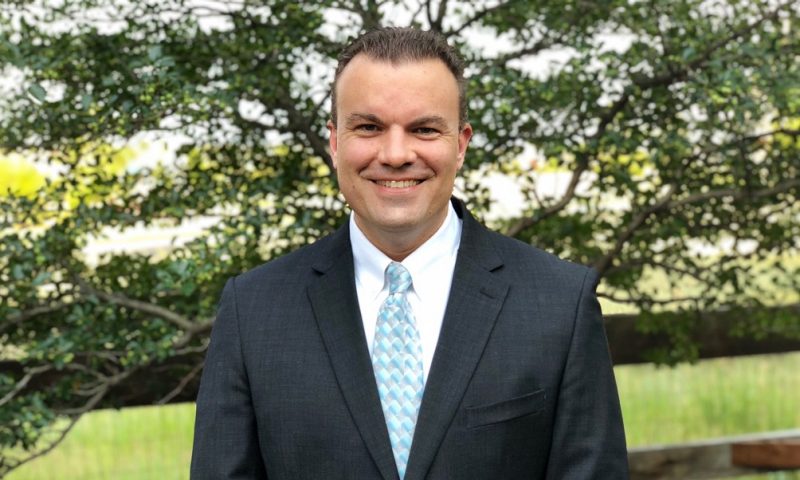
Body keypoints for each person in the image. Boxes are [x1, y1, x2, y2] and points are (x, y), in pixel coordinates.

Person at [191, 27, 628, 480]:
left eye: (423, 129)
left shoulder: (560, 304)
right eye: (368, 127)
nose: (396, 154)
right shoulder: (254, 311)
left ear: (460, 145)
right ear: (335, 142)